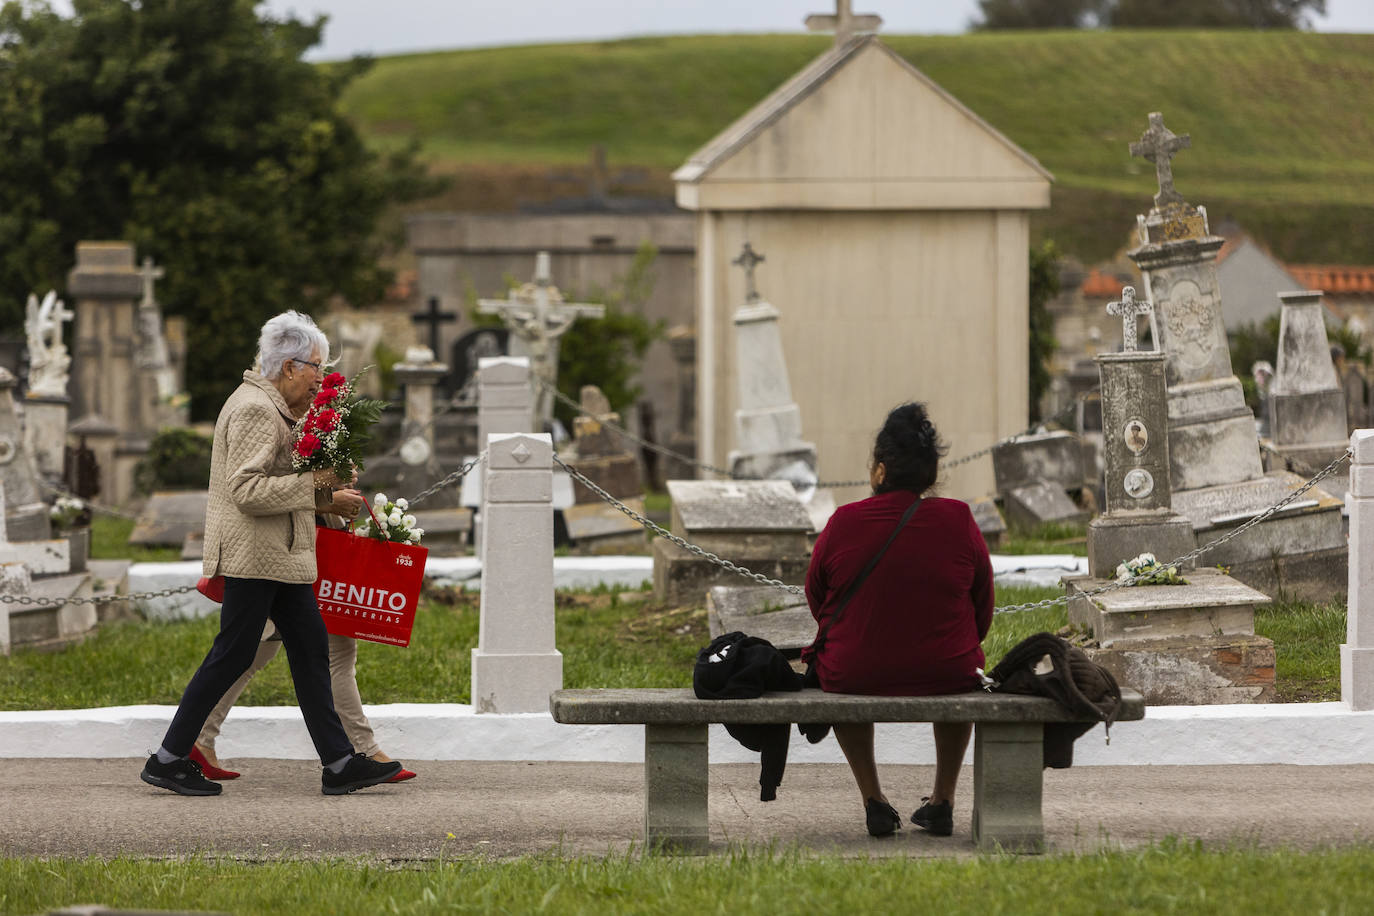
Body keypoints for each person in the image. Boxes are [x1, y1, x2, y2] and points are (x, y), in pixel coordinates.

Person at [140, 311, 401, 796]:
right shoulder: (257, 410)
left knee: (309, 650)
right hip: (257, 556)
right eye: (316, 369)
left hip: (278, 557)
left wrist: (329, 495)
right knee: (233, 653)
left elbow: (278, 487)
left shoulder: (271, 407)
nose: (320, 380)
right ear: (289, 367)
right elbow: (248, 490)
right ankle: (170, 757)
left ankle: (340, 763)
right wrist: (321, 484)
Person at [801, 402, 994, 839]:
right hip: (947, 666)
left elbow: (818, 599)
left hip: (854, 670)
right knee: (959, 674)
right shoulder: (959, 519)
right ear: (930, 472)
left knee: (844, 669)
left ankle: (873, 799)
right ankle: (942, 799)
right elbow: (983, 606)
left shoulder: (844, 521)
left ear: (881, 470)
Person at [188, 498, 416, 784]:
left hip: (304, 551)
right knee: (332, 656)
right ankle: (364, 752)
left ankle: (197, 741)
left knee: (251, 655)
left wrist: (339, 487)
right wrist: (330, 501)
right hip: (295, 554)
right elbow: (268, 490)